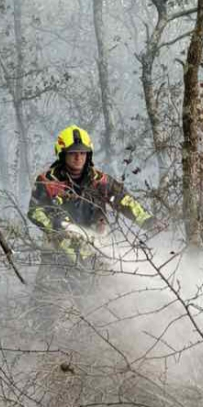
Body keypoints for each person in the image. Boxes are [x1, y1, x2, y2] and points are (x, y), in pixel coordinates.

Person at [27, 125, 157, 315]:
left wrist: (148, 221)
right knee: (44, 307)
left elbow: (126, 201)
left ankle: (93, 342)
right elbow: (34, 211)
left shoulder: (100, 181)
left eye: (83, 152)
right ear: (62, 154)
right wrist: (55, 226)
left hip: (94, 253)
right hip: (57, 253)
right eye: (73, 153)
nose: (78, 157)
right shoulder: (47, 181)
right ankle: (39, 341)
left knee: (97, 309)